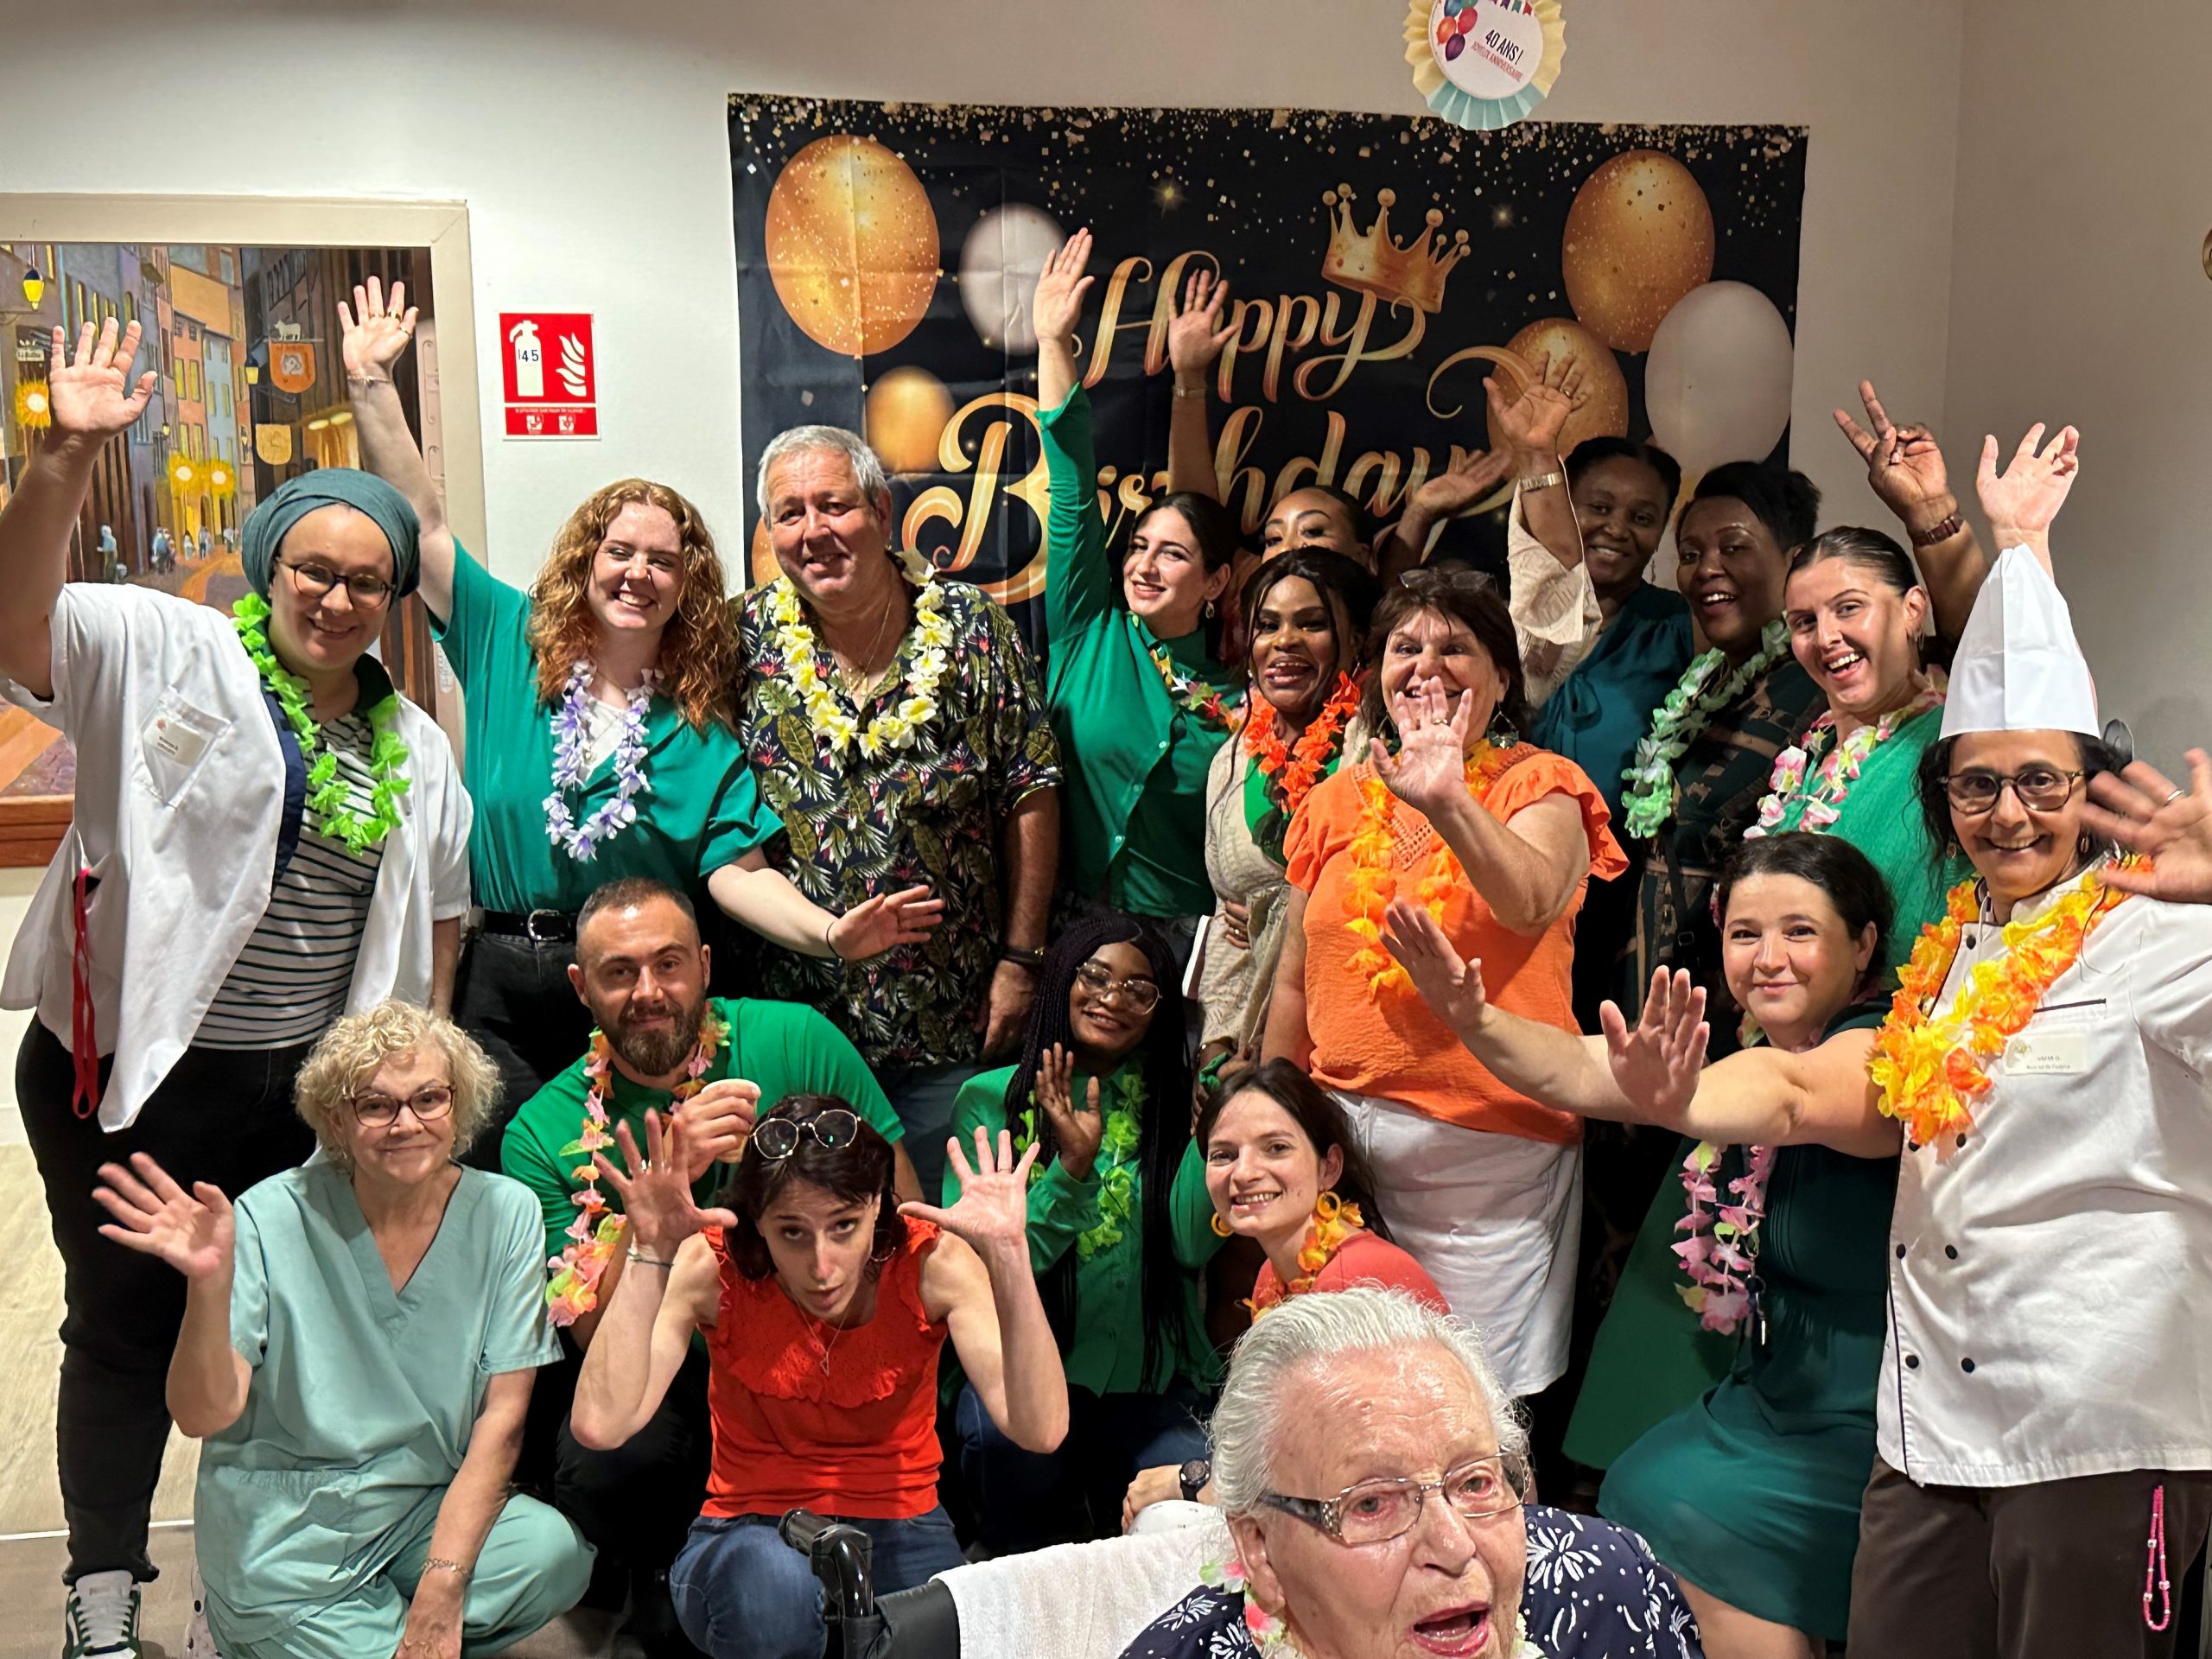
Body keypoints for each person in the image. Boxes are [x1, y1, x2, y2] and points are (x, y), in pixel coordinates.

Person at [1586, 511, 2212, 1657]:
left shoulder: (2164, 936)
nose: (2008, 813)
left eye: (2040, 781)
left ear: (2091, 788)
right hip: (1928, 1431)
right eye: (1977, 786)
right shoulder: (1952, 956)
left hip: (2096, 1429)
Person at [0, 320, 472, 1653]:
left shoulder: (416, 747)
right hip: (129, 1081)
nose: (337, 598)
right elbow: (19, 624)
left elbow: (435, 930)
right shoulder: (163, 648)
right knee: (122, 1329)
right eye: (314, 570)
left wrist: (410, 1098)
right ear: (270, 568)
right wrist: (65, 456)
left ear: (392, 599)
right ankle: (102, 1594)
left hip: (298, 1103)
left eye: (367, 581)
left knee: (264, 1340)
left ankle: (240, 1587)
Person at [344, 279, 935, 1136]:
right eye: (620, 551)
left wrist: (830, 935)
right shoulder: (508, 639)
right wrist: (371, 385)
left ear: (687, 585)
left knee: (630, 1180)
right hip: (502, 982)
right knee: (508, 1178)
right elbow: (426, 527)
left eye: (663, 561)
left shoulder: (697, 727)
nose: (638, 573)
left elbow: (738, 873)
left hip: (636, 993)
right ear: (587, 560)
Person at [1388, 834, 1901, 1657]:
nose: (1769, 958)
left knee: (1684, 1505)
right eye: (1745, 934)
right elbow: (1573, 1068)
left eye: (1800, 932)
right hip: (1773, 1394)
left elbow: (1792, 1099)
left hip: (1872, 1416)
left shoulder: (1887, 1052)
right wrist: (1472, 1018)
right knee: (1638, 1484)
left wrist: (1679, 1100)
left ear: (1865, 944)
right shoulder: (1754, 1054)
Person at [91, 1001, 593, 1659]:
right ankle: (250, 1621)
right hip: (283, 1528)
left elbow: (502, 1420)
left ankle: (371, 1630)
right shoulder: (269, 1216)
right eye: (375, 1105)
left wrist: (442, 1588)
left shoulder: (506, 1213)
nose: (406, 1123)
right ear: (336, 1120)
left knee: (553, 1556)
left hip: (418, 1506)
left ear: (460, 1103)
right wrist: (208, 1288)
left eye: (429, 1098)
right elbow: (200, 1414)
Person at [498, 876, 918, 1645]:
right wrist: (668, 1183)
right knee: (606, 1467)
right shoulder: (539, 1131)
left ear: (706, 964)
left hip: (818, 1342)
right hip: (678, 1362)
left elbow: (904, 1216)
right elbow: (591, 1335)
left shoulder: (796, 1039)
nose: (648, 992)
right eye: (619, 972)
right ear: (581, 987)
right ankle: (665, 1566)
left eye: (668, 964)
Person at [1262, 566, 1623, 1397]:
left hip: (1485, 1157)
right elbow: (1292, 983)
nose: (1426, 666)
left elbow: (1530, 902)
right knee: (1347, 1387)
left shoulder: (1542, 783)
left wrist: (1450, 798)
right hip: (1341, 1145)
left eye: (1455, 647)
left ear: (1502, 678)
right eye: (1405, 647)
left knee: (1466, 1396)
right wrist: (1275, 1116)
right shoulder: (1335, 800)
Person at [569, 1103, 1071, 1659]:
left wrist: (1008, 1252)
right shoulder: (711, 1263)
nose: (822, 1266)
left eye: (843, 1226)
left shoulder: (932, 1260)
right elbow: (601, 1425)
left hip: (902, 1522)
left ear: (876, 1203)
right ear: (758, 1220)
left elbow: (1041, 1430)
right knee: (773, 1589)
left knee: (957, 1635)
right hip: (748, 1531)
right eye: (792, 1232)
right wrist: (650, 1249)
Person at [737, 421, 1060, 1199]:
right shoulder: (742, 640)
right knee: (812, 1230)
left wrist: (1022, 961)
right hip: (799, 1023)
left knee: (941, 1233)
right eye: (789, 514)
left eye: (833, 505)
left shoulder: (972, 627)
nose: (813, 532)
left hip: (947, 1013)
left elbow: (1031, 789)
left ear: (881, 511)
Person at [1116, 1287, 1706, 1659]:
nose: (1455, 1546)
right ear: (1261, 1551)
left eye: (1475, 1482)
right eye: (1372, 1503)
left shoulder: (1610, 1590)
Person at [948, 914, 1217, 1548]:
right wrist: (1071, 1169)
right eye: (1095, 976)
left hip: (1146, 1385)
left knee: (1192, 1521)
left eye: (1139, 989)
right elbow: (978, 1271)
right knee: (1006, 1452)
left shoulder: (1174, 1103)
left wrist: (1207, 1135)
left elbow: (1190, 1243)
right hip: (1025, 1380)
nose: (1112, 998)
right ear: (1062, 978)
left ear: (1159, 1010)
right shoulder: (991, 1101)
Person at [1118, 1060, 1445, 1530]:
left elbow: (1334, 1480)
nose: (1245, 1173)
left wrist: (1190, 1479)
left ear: (1329, 1167)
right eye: (1223, 1155)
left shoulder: (1355, 1278)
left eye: (1276, 1148)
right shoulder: (1272, 1274)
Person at [1035, 230, 1243, 959]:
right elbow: (1070, 485)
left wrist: (1191, 383)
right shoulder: (1089, 630)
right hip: (1073, 933)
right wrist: (1052, 342)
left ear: (1216, 582)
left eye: (1173, 555)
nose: (1145, 565)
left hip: (1197, 950)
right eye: (1138, 546)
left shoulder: (1246, 687)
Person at [1754, 525, 1970, 968]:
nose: (1826, 637)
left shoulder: (1959, 741)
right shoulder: (1808, 757)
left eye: (1848, 608)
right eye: (1804, 622)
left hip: (1911, 1008)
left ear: (1913, 609)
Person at [1197, 549, 1376, 1067]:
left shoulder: (1379, 750)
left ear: (1357, 640)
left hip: (1346, 1045)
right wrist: (1215, 1052)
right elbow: (1226, 926)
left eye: (1312, 624)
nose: (1284, 641)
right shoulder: (1232, 761)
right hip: (1244, 1057)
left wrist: (1269, 914)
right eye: (1268, 625)